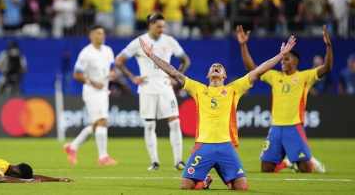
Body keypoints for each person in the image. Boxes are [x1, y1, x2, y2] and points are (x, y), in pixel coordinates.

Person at [138, 34, 297, 190]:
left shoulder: (234, 89)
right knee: (186, 186)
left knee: (242, 187)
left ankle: (225, 176)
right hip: (203, 145)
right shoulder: (198, 89)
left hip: (225, 146)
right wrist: (152, 56)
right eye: (213, 66)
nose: (216, 67)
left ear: (225, 76)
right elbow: (173, 72)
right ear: (208, 75)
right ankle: (205, 180)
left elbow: (258, 71)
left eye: (219, 67)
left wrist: (281, 55)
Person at [236, 24, 331, 173]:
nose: (283, 62)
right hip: (275, 126)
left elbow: (327, 67)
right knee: (266, 169)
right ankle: (287, 163)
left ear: (295, 62)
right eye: (282, 59)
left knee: (306, 169)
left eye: (286, 59)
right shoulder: (274, 76)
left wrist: (329, 47)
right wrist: (243, 45)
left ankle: (313, 162)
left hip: (294, 125)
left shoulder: (304, 76)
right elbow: (251, 68)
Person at [114, 13, 191, 171]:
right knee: (149, 126)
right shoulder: (139, 42)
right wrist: (132, 77)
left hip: (165, 88)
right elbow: (118, 61)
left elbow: (186, 60)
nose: (161, 29)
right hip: (147, 88)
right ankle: (154, 161)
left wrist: (176, 79)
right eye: (158, 27)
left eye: (163, 26)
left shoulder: (170, 41)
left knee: (175, 123)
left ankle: (178, 161)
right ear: (150, 25)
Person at [63, 25, 118, 166]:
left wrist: (113, 73)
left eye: (103, 33)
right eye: (99, 33)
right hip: (92, 92)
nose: (102, 36)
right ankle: (103, 157)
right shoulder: (86, 53)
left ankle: (72, 147)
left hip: (104, 91)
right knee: (103, 122)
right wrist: (93, 83)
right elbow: (77, 74)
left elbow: (113, 67)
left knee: (96, 125)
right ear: (92, 36)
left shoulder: (108, 50)